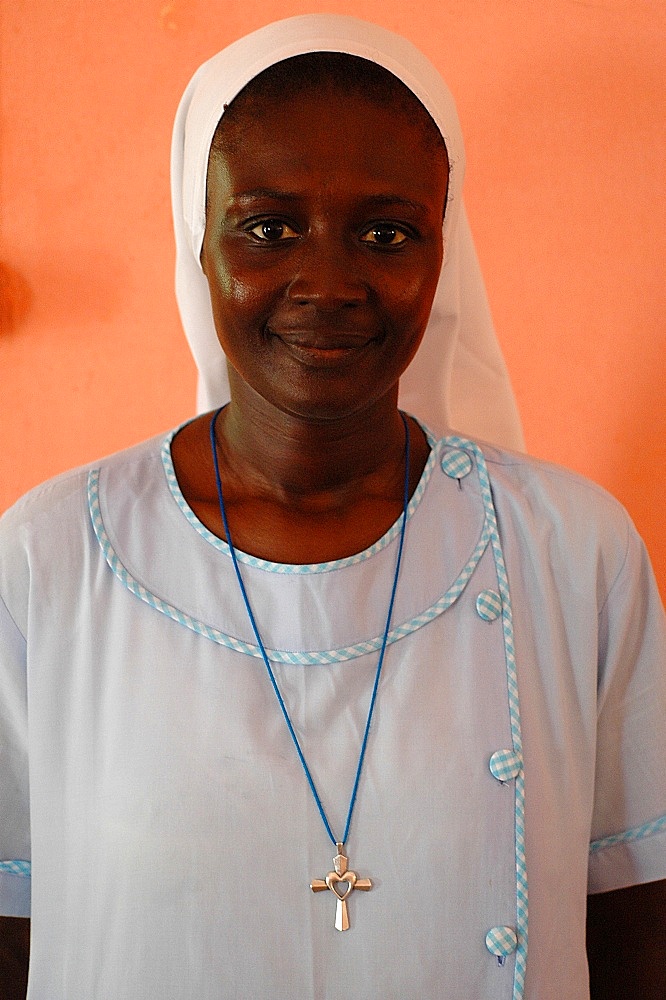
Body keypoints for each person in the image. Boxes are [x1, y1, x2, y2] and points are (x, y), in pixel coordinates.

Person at [0, 14, 664, 1000]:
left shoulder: (570, 550)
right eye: (269, 226)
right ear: (201, 239)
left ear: (445, 250)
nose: (329, 282)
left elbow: (636, 929)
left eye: (385, 232)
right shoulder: (48, 556)